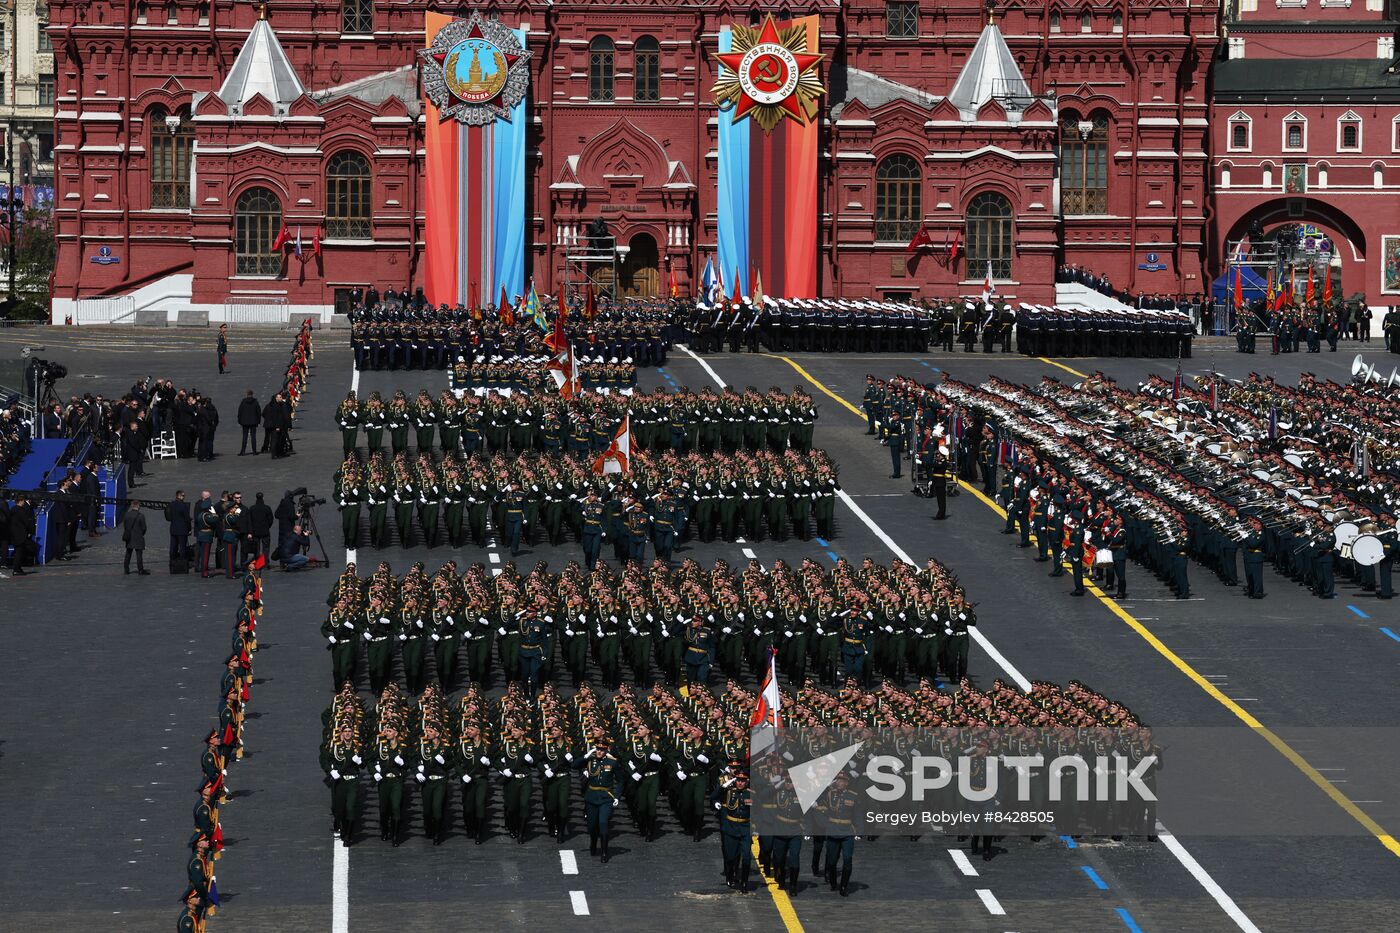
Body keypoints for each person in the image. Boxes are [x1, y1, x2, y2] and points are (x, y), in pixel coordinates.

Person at [241, 491, 274, 560]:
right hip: (265, 531)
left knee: (256, 549)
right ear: (263, 498)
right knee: (266, 548)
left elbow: (249, 520)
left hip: (255, 532)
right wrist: (267, 526)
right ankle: (265, 563)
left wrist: (251, 530)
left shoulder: (252, 508)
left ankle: (257, 563)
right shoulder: (267, 508)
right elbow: (271, 519)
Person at [122, 500, 150, 575]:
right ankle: (140, 570)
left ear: (132, 505)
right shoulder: (141, 516)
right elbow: (144, 528)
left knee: (128, 553)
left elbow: (125, 526)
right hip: (138, 537)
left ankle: (126, 569)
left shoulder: (127, 515)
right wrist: (141, 534)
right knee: (139, 555)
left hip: (129, 537)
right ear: (138, 506)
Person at [166, 489, 192, 568]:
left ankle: (172, 561)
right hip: (182, 529)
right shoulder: (184, 506)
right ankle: (182, 563)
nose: (184, 497)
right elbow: (187, 519)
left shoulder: (171, 504)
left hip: (173, 529)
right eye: (183, 495)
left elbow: (168, 517)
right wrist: (189, 529)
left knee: (173, 546)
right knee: (182, 547)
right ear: (179, 496)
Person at [237, 390, 261, 456]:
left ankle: (243, 451)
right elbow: (259, 412)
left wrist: (240, 421)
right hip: (254, 422)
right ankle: (254, 451)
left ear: (246, 394)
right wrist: (258, 421)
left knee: (245, 436)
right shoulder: (255, 402)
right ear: (252, 394)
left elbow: (240, 412)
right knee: (253, 437)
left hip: (244, 422)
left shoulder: (243, 402)